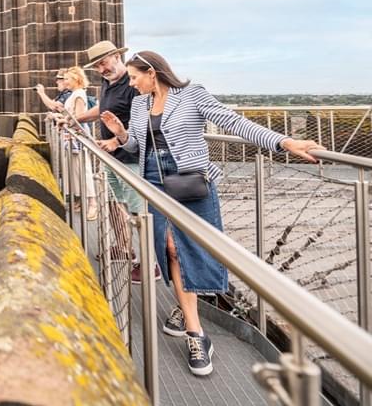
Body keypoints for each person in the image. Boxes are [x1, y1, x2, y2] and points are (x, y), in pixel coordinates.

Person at [100, 50, 322, 377]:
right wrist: (120, 134)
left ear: (152, 72)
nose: (131, 84)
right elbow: (135, 146)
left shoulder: (191, 94)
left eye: (134, 77)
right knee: (170, 250)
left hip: (190, 181)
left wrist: (284, 142)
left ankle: (184, 308)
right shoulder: (138, 104)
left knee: (198, 251)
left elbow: (233, 122)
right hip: (154, 184)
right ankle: (196, 333)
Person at [78, 41, 159, 284]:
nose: (101, 69)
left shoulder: (134, 83)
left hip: (132, 158)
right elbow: (103, 109)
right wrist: (74, 119)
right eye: (97, 66)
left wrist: (116, 140)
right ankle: (124, 249)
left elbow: (146, 120)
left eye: (103, 63)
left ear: (116, 56)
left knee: (138, 211)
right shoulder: (107, 82)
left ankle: (149, 264)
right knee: (115, 204)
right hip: (111, 157)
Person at [38, 66, 97, 220]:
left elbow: (79, 119)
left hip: (77, 137)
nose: (65, 81)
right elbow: (71, 116)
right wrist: (61, 118)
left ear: (76, 79)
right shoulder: (76, 94)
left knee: (84, 170)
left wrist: (62, 120)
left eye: (67, 79)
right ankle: (81, 201)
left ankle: (93, 204)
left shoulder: (78, 94)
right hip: (71, 138)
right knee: (75, 171)